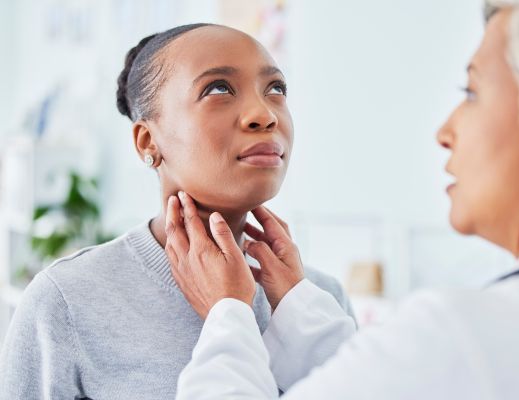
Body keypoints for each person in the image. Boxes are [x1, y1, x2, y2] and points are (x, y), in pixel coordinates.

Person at [167, 0, 519, 398]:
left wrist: (227, 314)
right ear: (147, 140)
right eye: (219, 88)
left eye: (471, 93)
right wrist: (299, 308)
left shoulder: (459, 336)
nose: (444, 132)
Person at [0, 24, 354, 399]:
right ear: (148, 140)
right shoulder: (66, 301)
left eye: (276, 89)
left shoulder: (319, 300)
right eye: (218, 88)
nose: (264, 114)